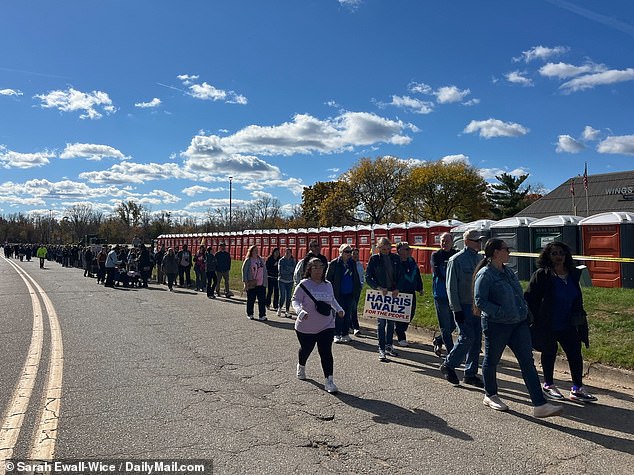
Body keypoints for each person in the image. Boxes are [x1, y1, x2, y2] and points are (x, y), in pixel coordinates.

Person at [474, 238, 564, 418]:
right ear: (496, 253)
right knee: (492, 360)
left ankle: (539, 404)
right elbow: (480, 301)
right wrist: (500, 312)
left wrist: (525, 312)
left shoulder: (508, 272)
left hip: (518, 323)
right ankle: (490, 394)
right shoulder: (485, 274)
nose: (509, 252)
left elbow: (518, 295)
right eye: (506, 249)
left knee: (527, 362)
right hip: (496, 325)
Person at [524, 241, 597, 403]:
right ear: (547, 256)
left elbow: (577, 298)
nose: (558, 257)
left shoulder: (572, 274)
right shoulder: (542, 275)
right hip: (548, 324)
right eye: (554, 253)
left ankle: (577, 388)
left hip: (569, 323)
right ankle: (548, 385)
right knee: (549, 353)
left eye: (561, 253)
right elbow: (529, 299)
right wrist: (535, 320)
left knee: (575, 354)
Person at [292, 257, 345, 393]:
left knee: (326, 352)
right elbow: (295, 300)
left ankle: (329, 381)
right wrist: (300, 311)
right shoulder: (304, 284)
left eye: (320, 267)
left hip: (326, 325)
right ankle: (301, 365)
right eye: (314, 267)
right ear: (309, 269)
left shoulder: (327, 285)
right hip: (306, 326)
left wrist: (339, 309)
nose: (318, 270)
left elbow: (332, 299)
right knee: (306, 349)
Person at [441, 229, 485, 387]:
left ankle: (470, 373)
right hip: (463, 306)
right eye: (476, 241)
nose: (479, 243)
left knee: (476, 341)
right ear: (466, 242)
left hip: (477, 306)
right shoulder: (456, 260)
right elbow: (451, 287)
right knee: (467, 337)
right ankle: (449, 364)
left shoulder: (481, 259)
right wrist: (456, 309)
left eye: (480, 241)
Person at [365, 237, 402, 361]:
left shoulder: (396, 258)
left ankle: (389, 345)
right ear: (378, 248)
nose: (386, 251)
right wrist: (378, 287)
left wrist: (398, 288)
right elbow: (368, 277)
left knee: (391, 322)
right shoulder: (374, 259)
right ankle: (381, 347)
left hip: (393, 294)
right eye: (383, 249)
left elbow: (401, 275)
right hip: (381, 295)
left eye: (388, 249)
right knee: (381, 323)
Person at [326, 244, 361, 344]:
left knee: (347, 314)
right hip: (338, 293)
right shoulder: (334, 263)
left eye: (350, 252)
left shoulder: (352, 263)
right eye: (347, 252)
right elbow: (328, 279)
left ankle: (345, 333)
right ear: (340, 252)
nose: (349, 254)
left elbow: (356, 277)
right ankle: (336, 334)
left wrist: (357, 290)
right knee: (339, 314)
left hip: (350, 293)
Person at [431, 233, 458, 357]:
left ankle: (438, 340)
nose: (444, 243)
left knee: (454, 324)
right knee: (445, 325)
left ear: (452, 242)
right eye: (442, 241)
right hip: (441, 294)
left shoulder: (456, 254)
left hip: (454, 295)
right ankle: (451, 352)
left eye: (447, 241)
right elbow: (438, 273)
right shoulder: (436, 255)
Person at [394, 242, 424, 347]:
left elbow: (417, 274)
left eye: (409, 249)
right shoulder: (395, 262)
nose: (408, 251)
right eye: (406, 249)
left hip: (410, 291)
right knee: (400, 315)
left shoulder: (412, 261)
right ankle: (401, 335)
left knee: (410, 313)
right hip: (399, 292)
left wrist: (420, 288)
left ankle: (399, 330)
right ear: (399, 251)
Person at [242, 245, 268, 321]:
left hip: (261, 284)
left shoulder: (261, 260)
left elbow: (264, 271)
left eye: (257, 250)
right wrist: (246, 283)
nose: (256, 251)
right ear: (251, 251)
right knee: (251, 300)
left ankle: (262, 315)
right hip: (252, 283)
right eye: (255, 250)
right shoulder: (248, 260)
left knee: (262, 300)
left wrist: (265, 282)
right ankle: (250, 314)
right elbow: (244, 272)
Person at [350, 248, 365, 336]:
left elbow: (362, 276)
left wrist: (361, 286)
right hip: (349, 289)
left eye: (357, 254)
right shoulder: (348, 265)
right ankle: (355, 327)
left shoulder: (359, 265)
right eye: (354, 254)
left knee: (353, 308)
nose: (355, 256)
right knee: (352, 308)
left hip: (357, 289)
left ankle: (353, 326)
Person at [277, 248, 296, 318]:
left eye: (289, 253)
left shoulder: (292, 261)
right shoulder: (281, 260)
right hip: (282, 280)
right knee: (282, 296)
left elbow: (294, 270)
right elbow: (281, 271)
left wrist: (287, 268)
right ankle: (279, 308)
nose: (287, 254)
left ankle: (287, 311)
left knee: (288, 297)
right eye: (286, 253)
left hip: (290, 281)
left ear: (291, 253)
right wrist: (289, 270)